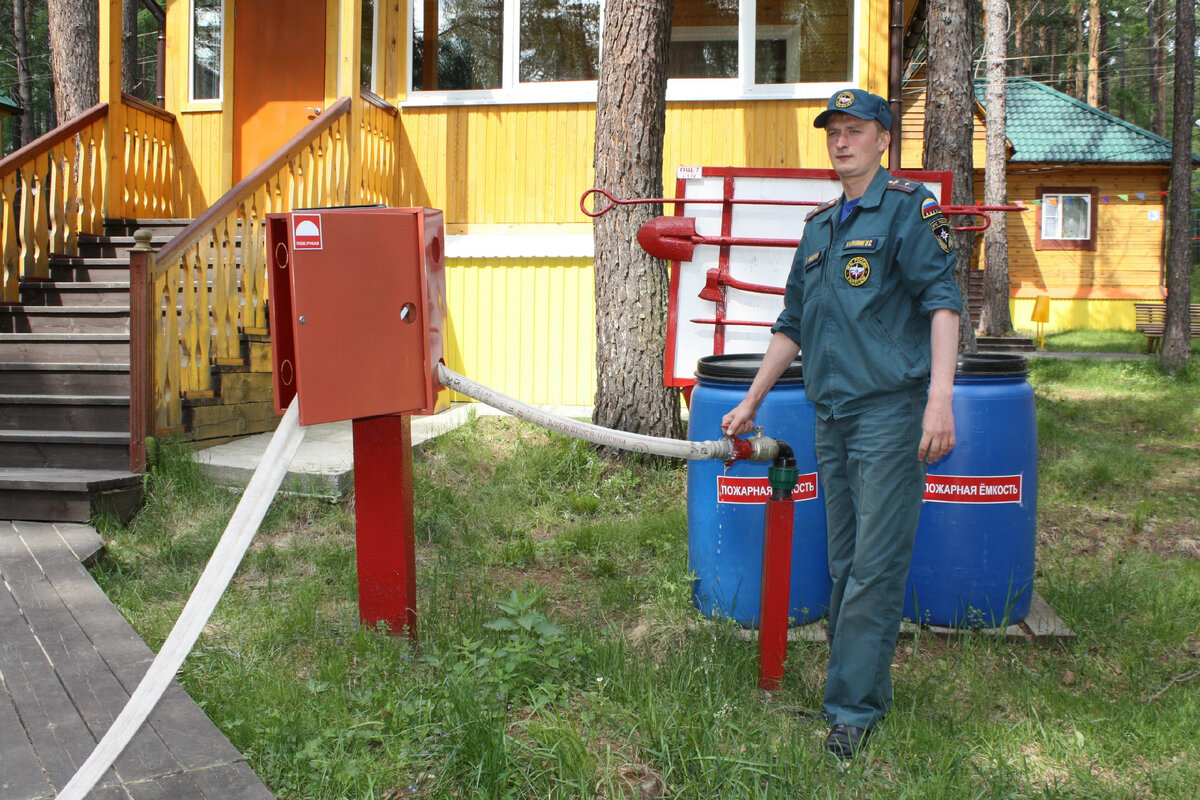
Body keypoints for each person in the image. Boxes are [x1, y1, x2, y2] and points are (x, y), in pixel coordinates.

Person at [721, 88, 962, 760]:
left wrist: (939, 399)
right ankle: (859, 691)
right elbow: (790, 325)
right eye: (833, 132)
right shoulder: (820, 229)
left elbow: (944, 303)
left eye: (855, 130)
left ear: (883, 138)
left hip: (890, 412)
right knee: (845, 561)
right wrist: (752, 398)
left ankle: (851, 711)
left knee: (874, 566)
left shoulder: (910, 211)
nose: (841, 141)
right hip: (833, 416)